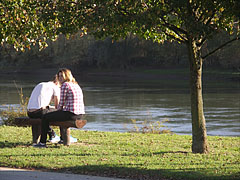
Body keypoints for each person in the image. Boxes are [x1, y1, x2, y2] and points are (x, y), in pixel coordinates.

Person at [33, 68, 85, 148]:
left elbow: (61, 104)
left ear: (67, 76)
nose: (60, 78)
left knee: (45, 117)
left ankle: (42, 142)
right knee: (57, 114)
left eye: (62, 76)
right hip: (80, 114)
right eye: (59, 76)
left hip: (71, 114)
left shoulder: (65, 85)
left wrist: (54, 110)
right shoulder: (75, 84)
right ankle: (61, 138)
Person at [27, 75, 61, 143]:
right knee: (60, 112)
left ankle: (52, 134)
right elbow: (57, 106)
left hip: (30, 113)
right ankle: (62, 137)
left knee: (46, 114)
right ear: (57, 83)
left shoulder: (40, 84)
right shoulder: (55, 87)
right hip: (40, 112)